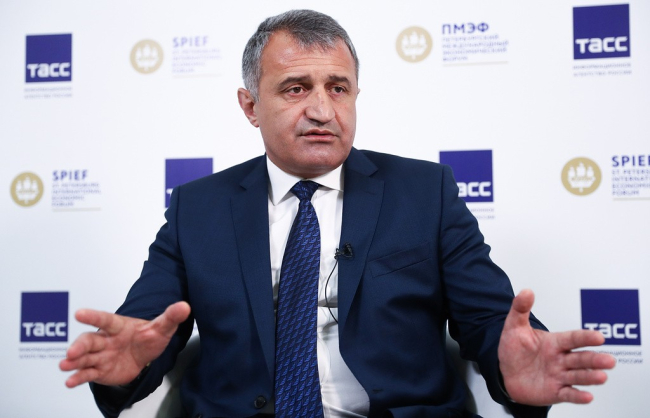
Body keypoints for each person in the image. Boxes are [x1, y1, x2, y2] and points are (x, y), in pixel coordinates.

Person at [60, 9, 615, 418]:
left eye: (338, 88)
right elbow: (144, 332)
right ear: (250, 105)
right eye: (295, 88)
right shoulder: (197, 208)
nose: (322, 110)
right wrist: (126, 367)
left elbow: (488, 319)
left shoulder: (425, 192)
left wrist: (511, 365)